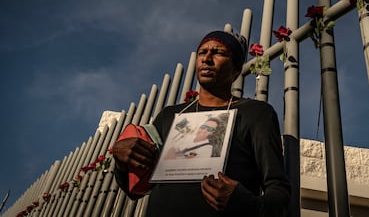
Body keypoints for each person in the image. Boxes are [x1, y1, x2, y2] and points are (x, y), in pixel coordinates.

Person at [113, 30, 291, 216]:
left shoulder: (256, 113)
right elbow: (133, 189)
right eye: (202, 52)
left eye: (219, 52)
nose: (206, 58)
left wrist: (244, 202)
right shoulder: (169, 116)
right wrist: (121, 160)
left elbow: (279, 191)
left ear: (237, 70)